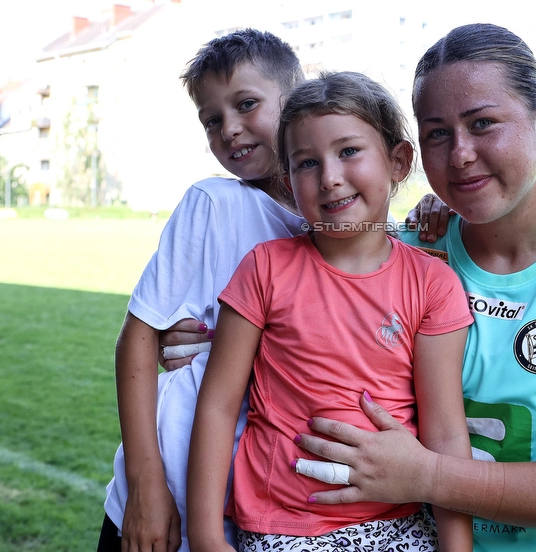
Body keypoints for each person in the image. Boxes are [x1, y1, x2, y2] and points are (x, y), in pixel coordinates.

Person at [293, 24, 536, 551]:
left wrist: (428, 477)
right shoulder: (402, 250)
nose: (460, 155)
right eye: (437, 133)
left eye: (482, 124)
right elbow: (289, 308)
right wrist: (199, 337)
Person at [186, 72, 474, 552]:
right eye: (306, 163)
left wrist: (456, 547)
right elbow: (217, 406)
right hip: (284, 526)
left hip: (401, 522)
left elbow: (445, 431)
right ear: (288, 179)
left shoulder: (433, 283)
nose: (330, 177)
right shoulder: (265, 268)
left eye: (348, 152)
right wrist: (206, 537)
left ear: (398, 161)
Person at [98, 29, 307, 552]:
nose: (230, 129)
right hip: (161, 505)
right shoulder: (214, 204)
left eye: (247, 105)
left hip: (257, 513)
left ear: (296, 98)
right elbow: (139, 338)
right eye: (212, 120)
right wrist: (148, 489)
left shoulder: (348, 227)